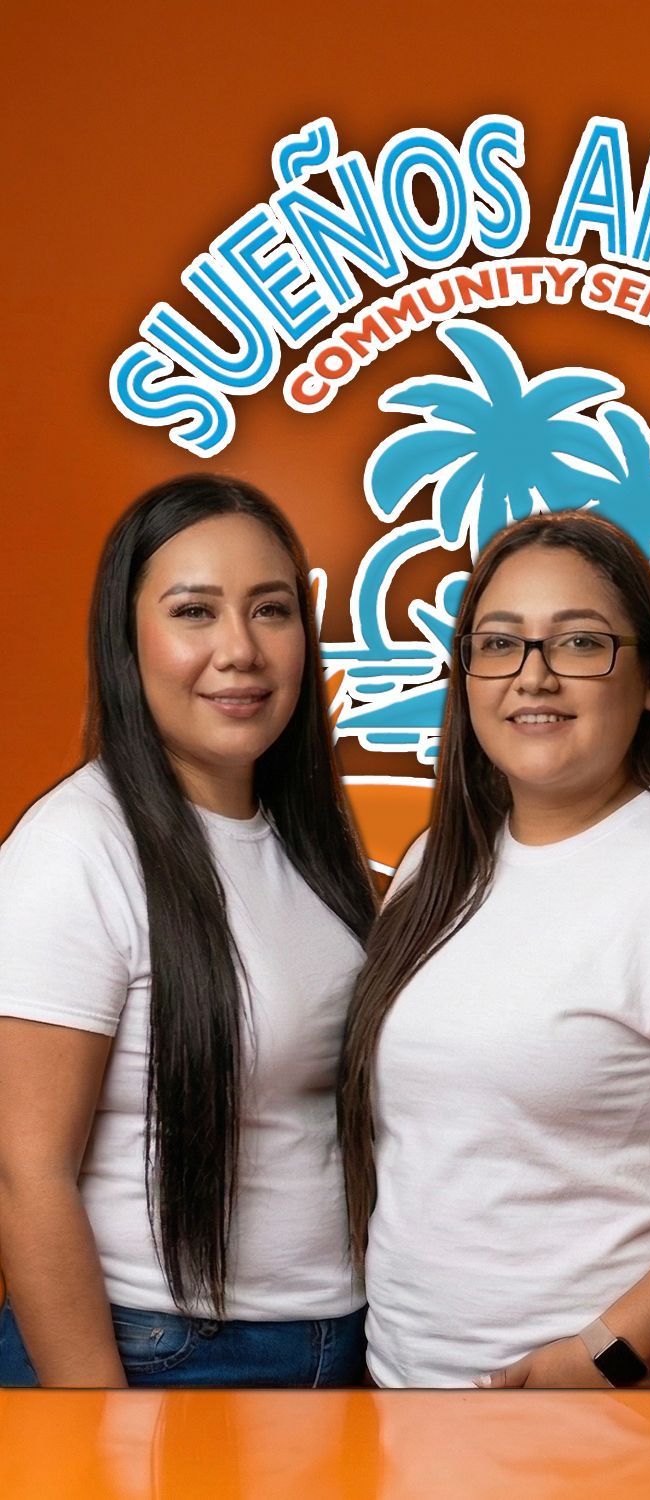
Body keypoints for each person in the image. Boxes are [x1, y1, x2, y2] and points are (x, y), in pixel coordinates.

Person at [340, 509, 650, 1389]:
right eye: (500, 644)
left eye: (579, 643)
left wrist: (604, 1358)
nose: (533, 678)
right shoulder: (433, 867)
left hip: (622, 1410)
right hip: (410, 1397)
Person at [0, 474, 377, 1388]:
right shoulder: (77, 848)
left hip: (347, 1346)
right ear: (128, 643)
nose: (240, 651)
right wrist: (100, 1427)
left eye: (272, 610)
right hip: (162, 1355)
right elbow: (23, 1173)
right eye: (195, 612)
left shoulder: (311, 847)